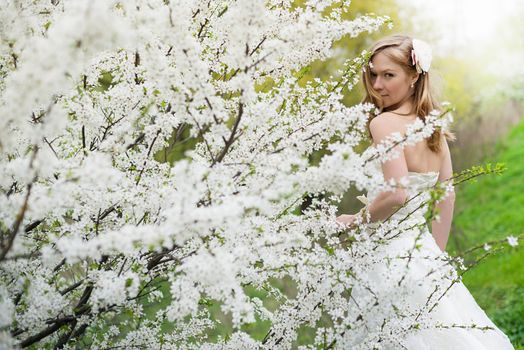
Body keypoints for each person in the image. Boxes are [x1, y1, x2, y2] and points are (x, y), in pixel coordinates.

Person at [335, 35, 515, 349]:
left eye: (388, 75)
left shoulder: (383, 123)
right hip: (424, 255)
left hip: (387, 258)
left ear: (414, 76)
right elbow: (447, 195)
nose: (377, 84)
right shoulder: (434, 129)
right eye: (373, 74)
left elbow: (396, 195)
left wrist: (352, 221)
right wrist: (436, 257)